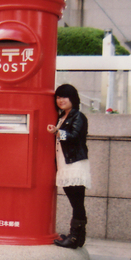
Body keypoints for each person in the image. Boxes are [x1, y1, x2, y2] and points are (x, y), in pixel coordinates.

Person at [47, 83, 91, 249]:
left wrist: (57, 132)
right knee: (76, 202)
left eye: (64, 96)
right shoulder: (62, 117)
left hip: (75, 165)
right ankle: (78, 238)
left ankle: (74, 238)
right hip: (65, 165)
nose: (61, 100)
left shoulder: (79, 116)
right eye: (58, 97)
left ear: (73, 98)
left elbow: (74, 136)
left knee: (77, 202)